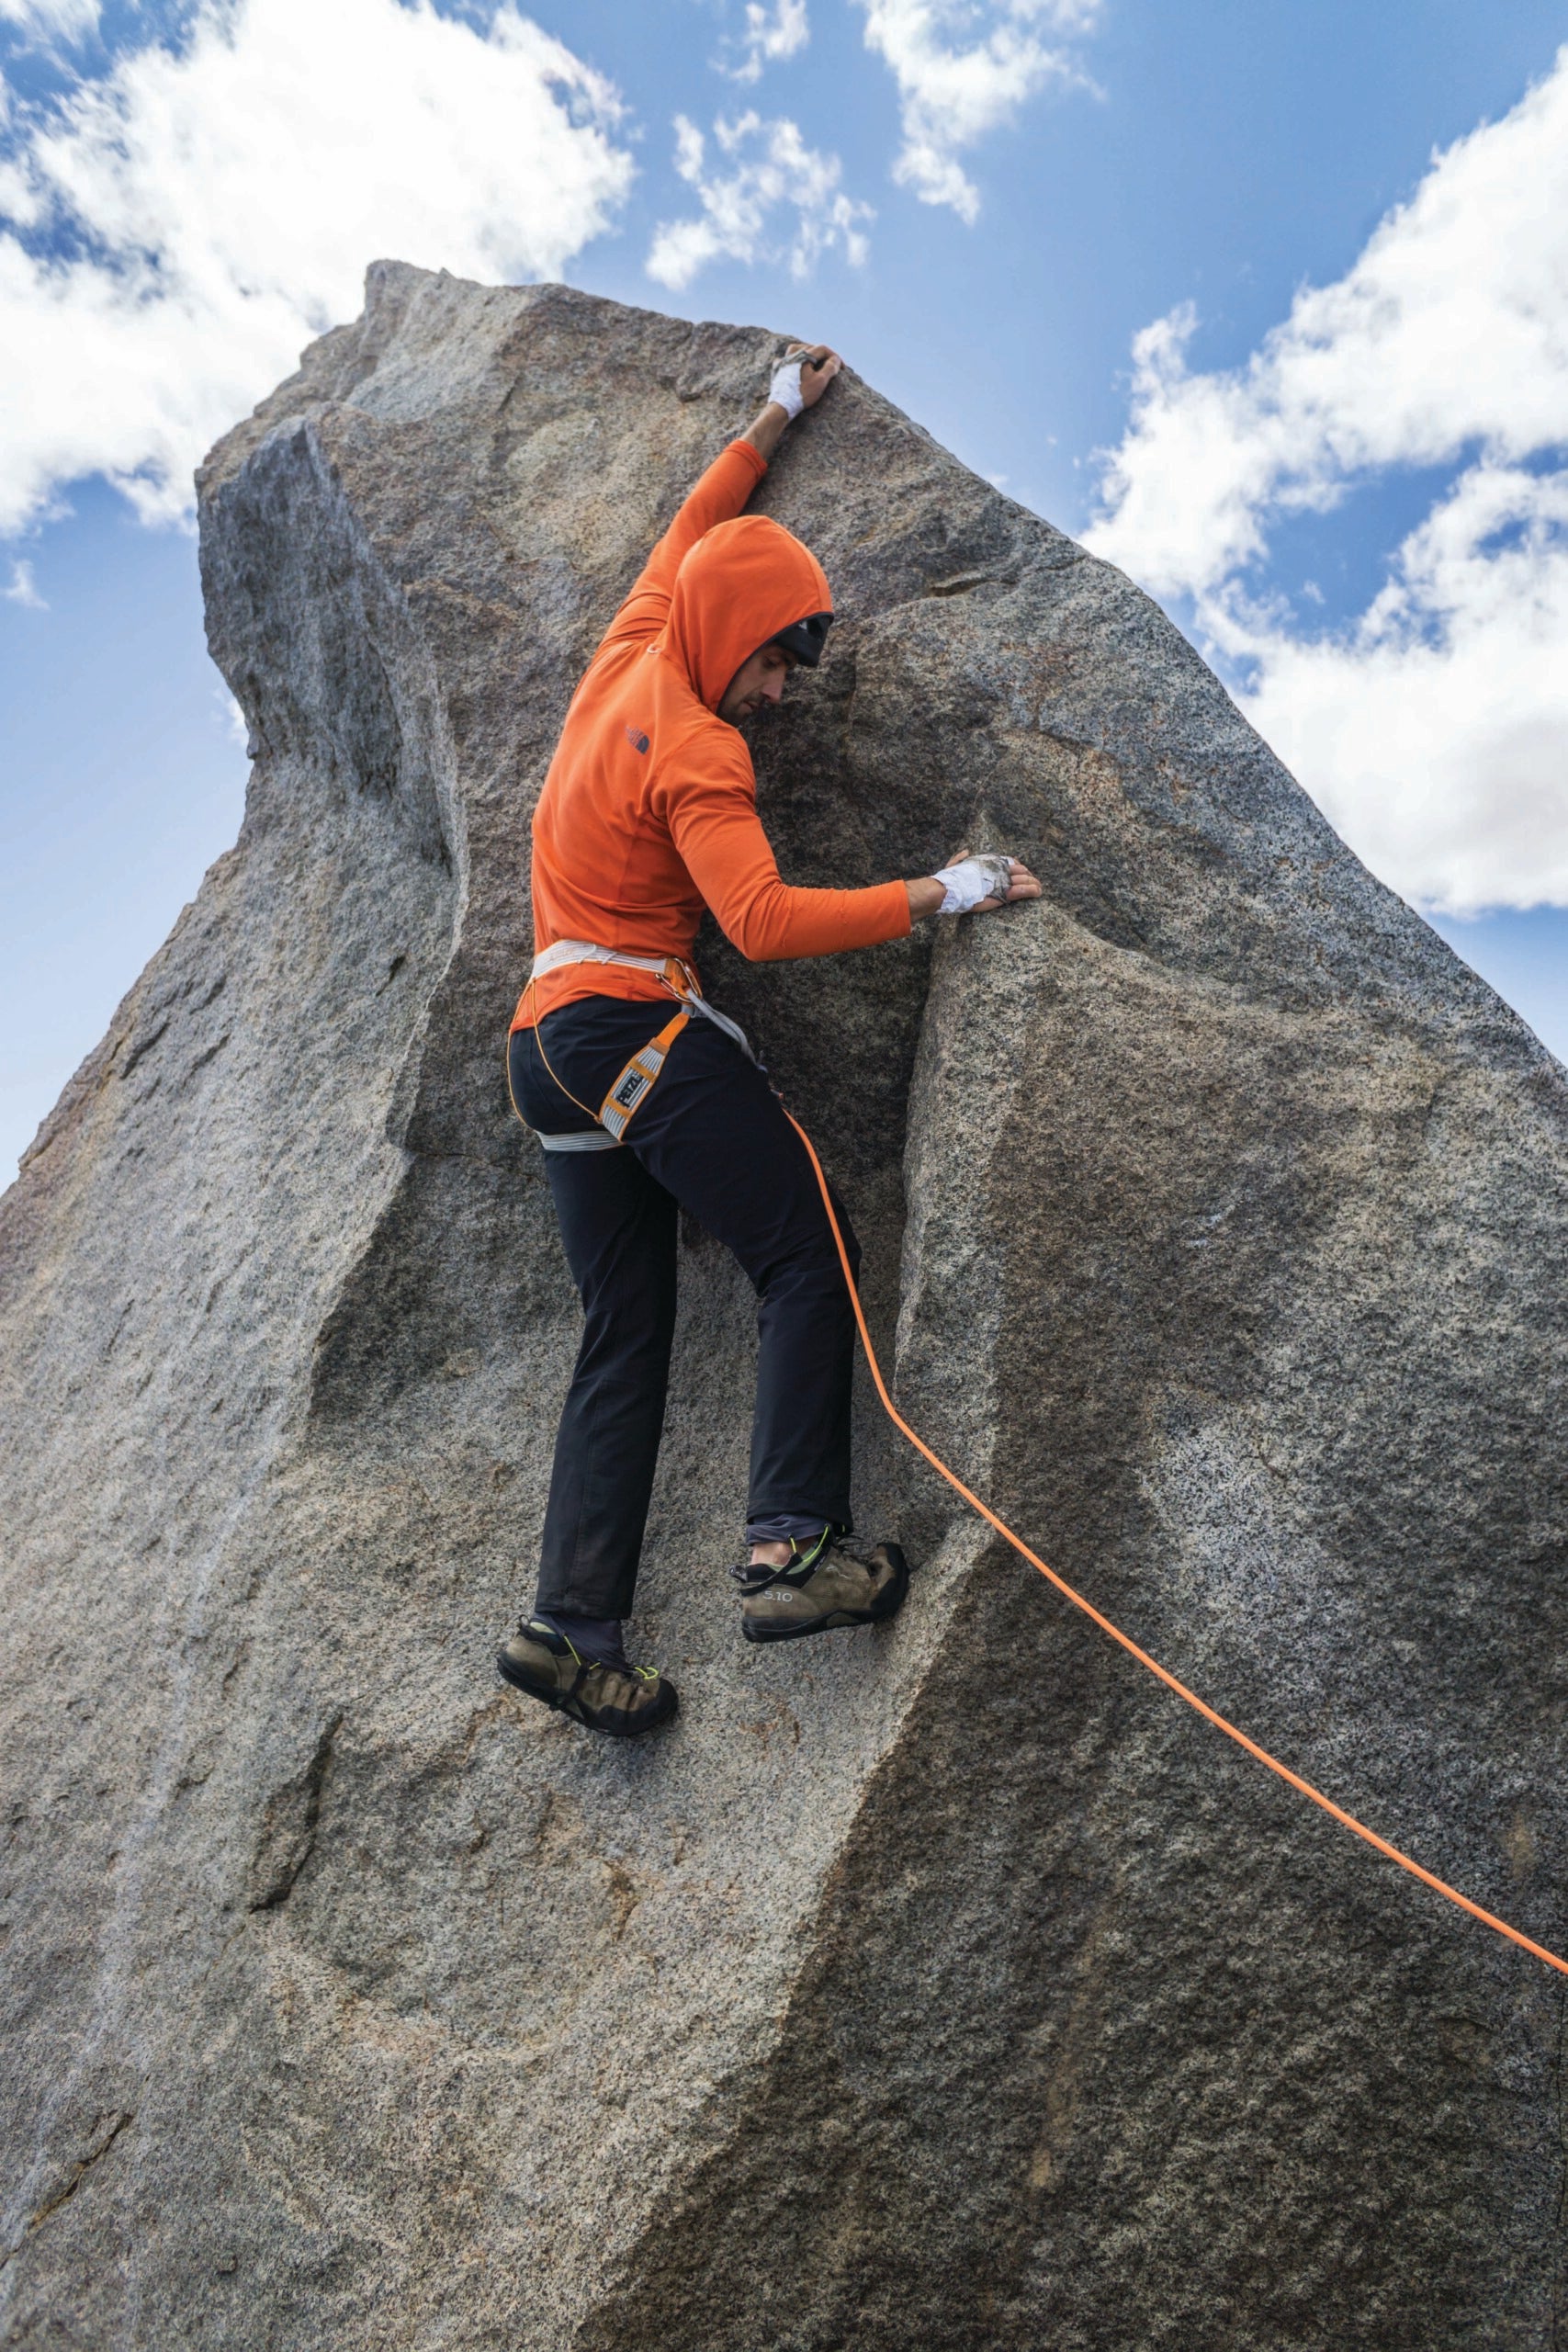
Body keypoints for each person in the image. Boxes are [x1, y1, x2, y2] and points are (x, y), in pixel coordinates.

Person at [497, 342, 1041, 1737]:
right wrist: (947, 890)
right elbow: (762, 919)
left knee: (627, 1331)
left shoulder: (632, 641)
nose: (784, 694)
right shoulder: (696, 747)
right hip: (627, 1027)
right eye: (782, 663)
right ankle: (791, 1549)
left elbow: (698, 522)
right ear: (733, 636)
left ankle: (569, 1630)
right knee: (803, 1251)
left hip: (544, 1047)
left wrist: (778, 413)